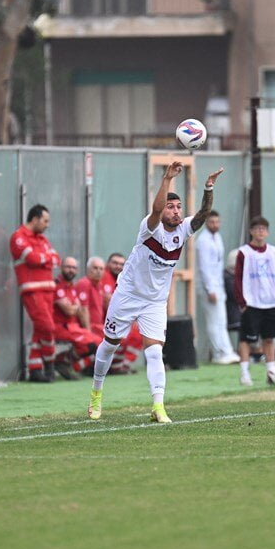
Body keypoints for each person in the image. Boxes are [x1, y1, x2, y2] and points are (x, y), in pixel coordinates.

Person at [88, 162, 223, 422]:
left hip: (154, 302)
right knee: (110, 344)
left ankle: (158, 407)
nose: (175, 211)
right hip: (128, 294)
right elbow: (156, 209)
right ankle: (96, 394)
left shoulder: (183, 229)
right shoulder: (150, 228)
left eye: (179, 207)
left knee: (153, 351)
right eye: (171, 207)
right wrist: (168, 179)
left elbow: (203, 214)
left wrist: (208, 187)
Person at [10, 204, 61, 383]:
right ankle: (49, 364)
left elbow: (57, 259)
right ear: (35, 219)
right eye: (45, 221)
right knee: (47, 327)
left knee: (41, 329)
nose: (47, 225)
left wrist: (42, 259)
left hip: (48, 290)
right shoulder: (18, 236)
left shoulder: (42, 239)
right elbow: (31, 259)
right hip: (32, 290)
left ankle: (35, 368)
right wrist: (44, 258)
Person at [234, 216, 275, 386]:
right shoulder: (244, 253)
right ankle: (244, 373)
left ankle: (271, 372)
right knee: (246, 339)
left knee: (269, 338)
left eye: (263, 229)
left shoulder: (274, 252)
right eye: (257, 228)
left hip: (272, 302)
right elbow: (238, 278)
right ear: (251, 231)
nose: (260, 232)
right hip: (252, 302)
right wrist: (241, 301)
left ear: (267, 232)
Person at [195, 210, 240, 364]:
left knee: (221, 319)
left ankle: (227, 351)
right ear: (206, 223)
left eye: (217, 222)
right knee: (213, 320)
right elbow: (204, 267)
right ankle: (218, 353)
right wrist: (210, 289)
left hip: (218, 284)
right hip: (209, 287)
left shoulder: (217, 237)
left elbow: (218, 264)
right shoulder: (203, 241)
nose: (215, 225)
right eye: (212, 222)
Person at [52, 256, 102, 380]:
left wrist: (73, 307)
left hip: (72, 327)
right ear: (61, 268)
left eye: (73, 268)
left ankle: (66, 362)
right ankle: (63, 361)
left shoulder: (72, 287)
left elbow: (76, 308)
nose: (71, 270)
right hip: (61, 327)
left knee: (99, 343)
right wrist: (74, 307)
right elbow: (71, 310)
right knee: (93, 344)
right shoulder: (57, 285)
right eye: (68, 267)